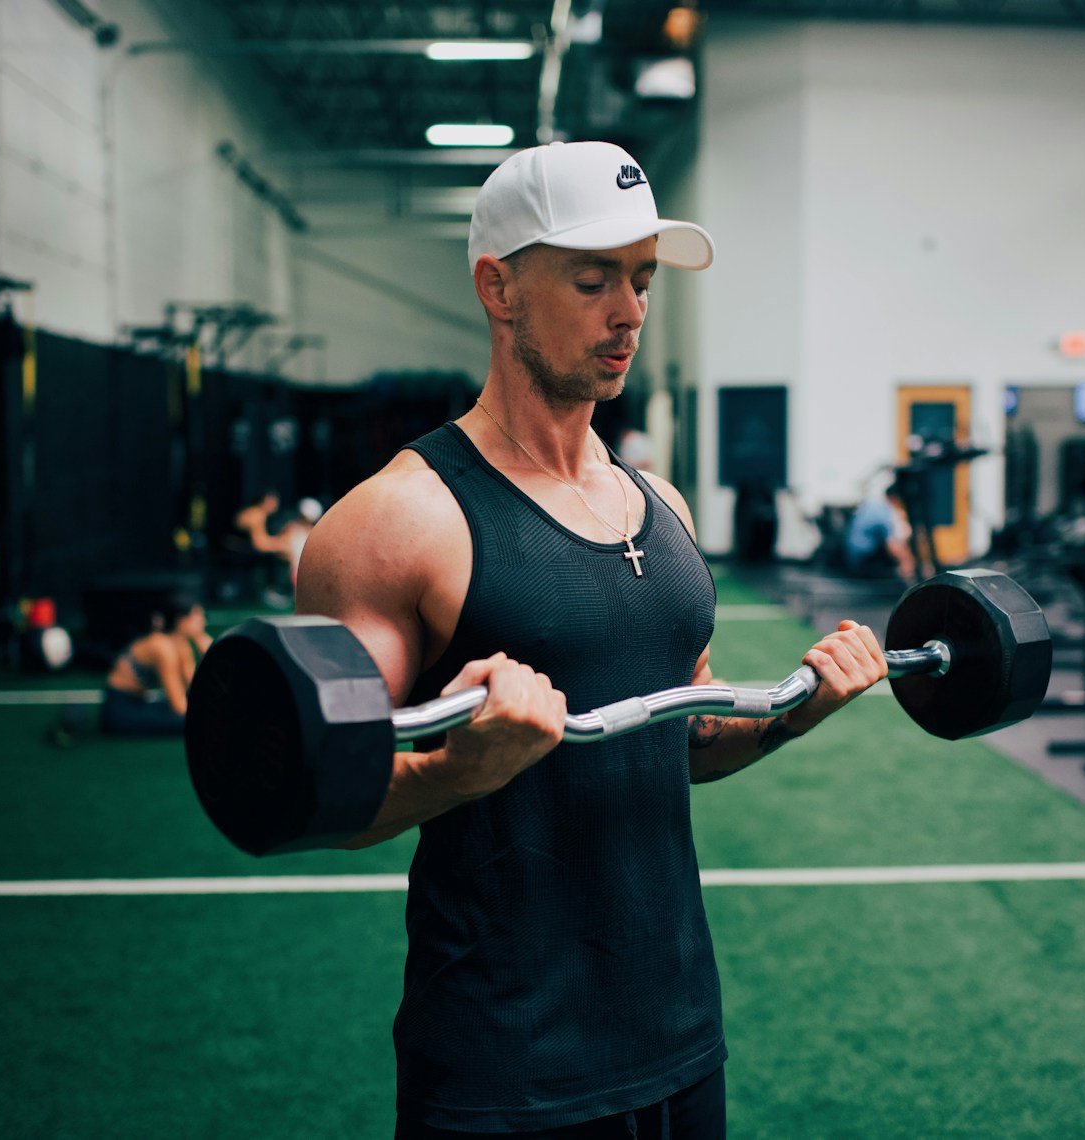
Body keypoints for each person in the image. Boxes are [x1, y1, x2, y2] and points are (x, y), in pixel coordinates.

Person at [294, 140, 888, 1139]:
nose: (629, 313)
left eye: (643, 279)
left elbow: (687, 740)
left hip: (681, 1038)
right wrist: (459, 769)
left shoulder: (659, 503)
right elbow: (322, 799)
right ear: (498, 286)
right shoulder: (398, 520)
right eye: (592, 277)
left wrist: (795, 713)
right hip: (504, 1064)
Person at [100, 592, 210, 735]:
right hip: (119, 710)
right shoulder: (162, 647)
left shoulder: (181, 644)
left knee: (204, 716)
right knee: (197, 722)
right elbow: (179, 707)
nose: (203, 622)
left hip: (139, 702)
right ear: (181, 620)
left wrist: (206, 653)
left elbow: (195, 690)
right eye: (198, 617)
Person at [234, 492, 323, 589]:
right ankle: (275, 588)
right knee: (290, 550)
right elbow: (259, 545)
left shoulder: (258, 514)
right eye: (274, 501)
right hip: (239, 550)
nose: (276, 504)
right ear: (266, 500)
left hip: (242, 548)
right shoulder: (256, 515)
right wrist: (282, 545)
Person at [843, 480, 916, 583]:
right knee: (901, 576)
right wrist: (909, 564)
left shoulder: (873, 505)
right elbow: (893, 546)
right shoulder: (884, 512)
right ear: (896, 498)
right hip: (865, 562)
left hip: (854, 558)